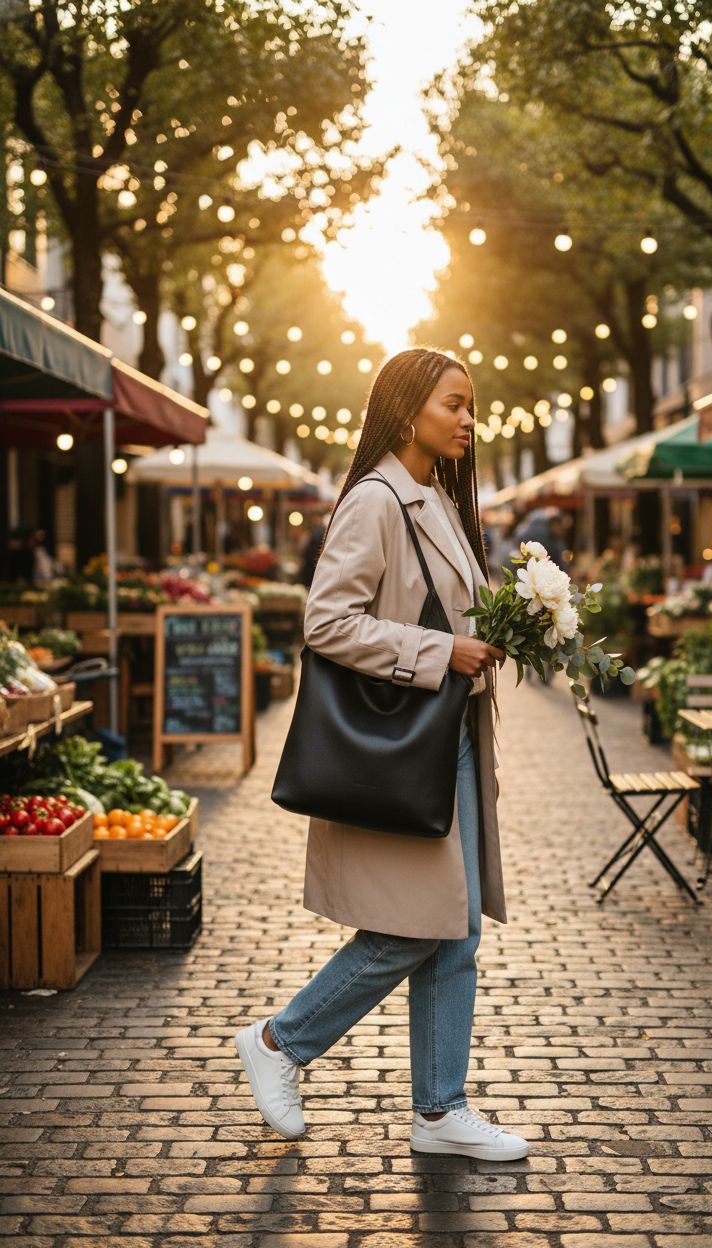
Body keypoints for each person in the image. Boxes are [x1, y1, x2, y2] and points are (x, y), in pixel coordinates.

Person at [235, 347, 528, 1162]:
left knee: (456, 930)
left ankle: (439, 1111)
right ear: (408, 410)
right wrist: (441, 653)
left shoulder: (434, 495)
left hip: (450, 739)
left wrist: (496, 636)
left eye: (473, 405)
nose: (469, 418)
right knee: (409, 929)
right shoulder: (377, 500)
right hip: (408, 743)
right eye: (455, 403)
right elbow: (327, 622)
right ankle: (280, 1041)